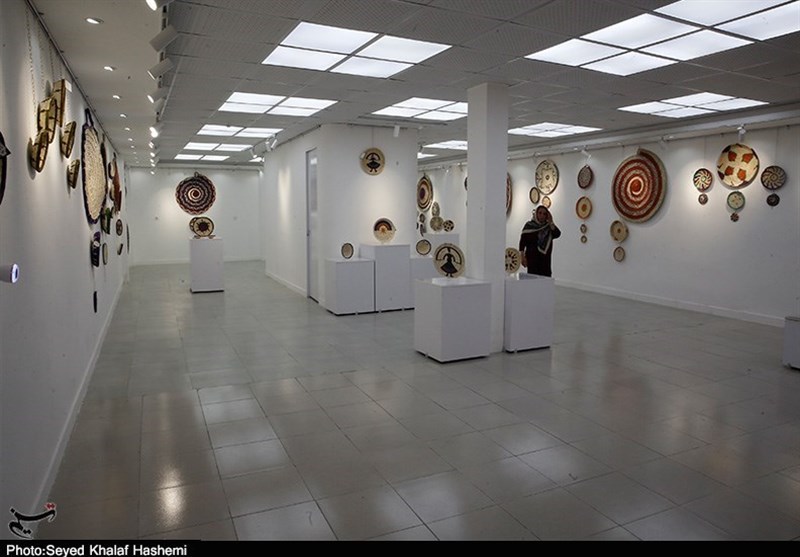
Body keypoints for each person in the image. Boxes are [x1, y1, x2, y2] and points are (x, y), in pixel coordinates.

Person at [519, 206, 561, 277]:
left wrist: (551, 222)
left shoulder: (548, 227)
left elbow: (557, 234)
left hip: (545, 260)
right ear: (536, 213)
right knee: (533, 280)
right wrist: (522, 257)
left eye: (544, 214)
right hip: (532, 259)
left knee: (545, 280)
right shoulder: (529, 225)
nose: (542, 215)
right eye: (540, 213)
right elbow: (522, 242)